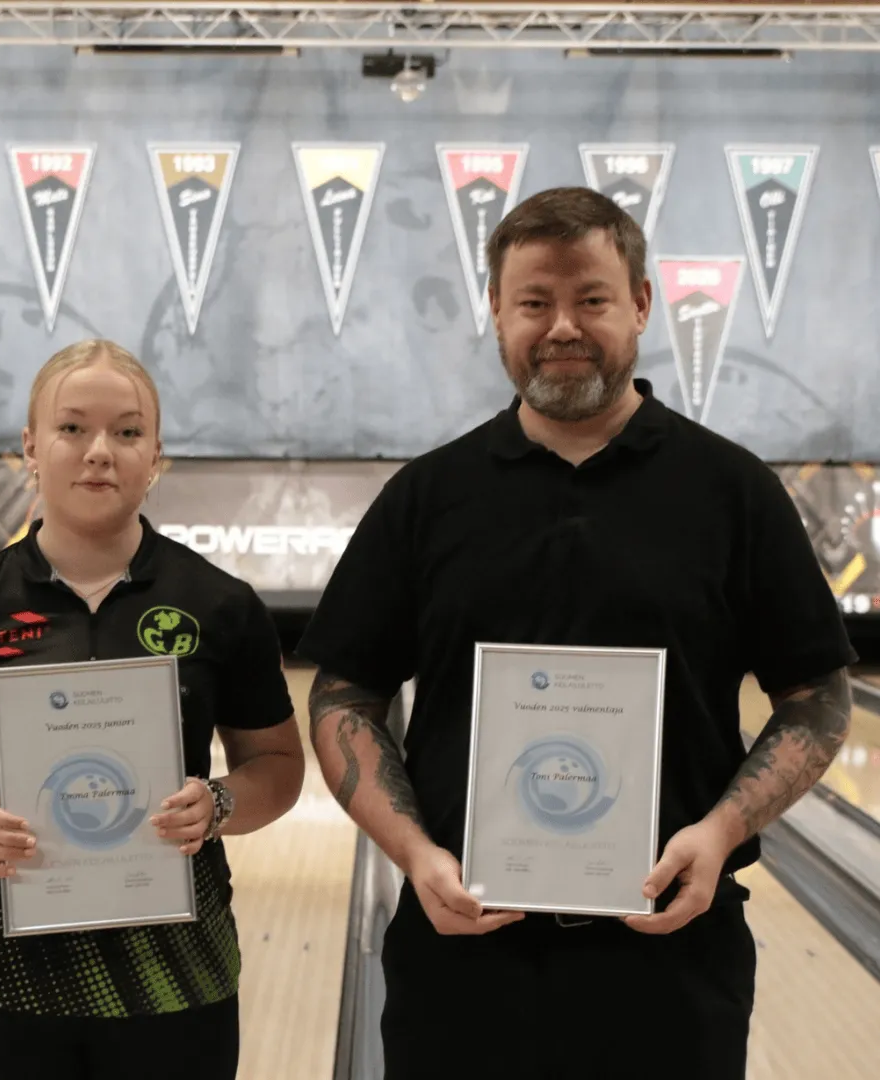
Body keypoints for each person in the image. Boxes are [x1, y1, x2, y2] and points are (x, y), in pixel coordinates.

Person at [295, 187, 856, 1079]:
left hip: (672, 955)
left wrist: (716, 833)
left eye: (590, 299)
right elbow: (344, 692)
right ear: (496, 312)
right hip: (463, 953)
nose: (562, 326)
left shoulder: (732, 491)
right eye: (533, 302)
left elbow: (816, 696)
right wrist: (413, 851)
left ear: (639, 302)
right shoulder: (428, 497)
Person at [0, 339, 304, 1080]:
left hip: (178, 978)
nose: (101, 451)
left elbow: (279, 765)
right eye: (72, 428)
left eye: (128, 432)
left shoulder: (223, 606)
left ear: (156, 454)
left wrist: (219, 803)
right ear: (31, 447)